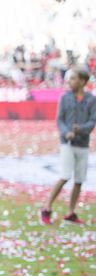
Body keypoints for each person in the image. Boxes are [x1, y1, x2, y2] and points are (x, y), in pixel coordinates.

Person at [40, 67, 95, 225]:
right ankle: (47, 207)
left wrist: (81, 129)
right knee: (64, 176)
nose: (70, 82)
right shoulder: (65, 98)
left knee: (79, 180)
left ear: (83, 81)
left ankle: (71, 212)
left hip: (83, 144)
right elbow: (60, 120)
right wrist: (66, 133)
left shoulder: (91, 99)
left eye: (73, 79)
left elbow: (92, 121)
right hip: (67, 144)